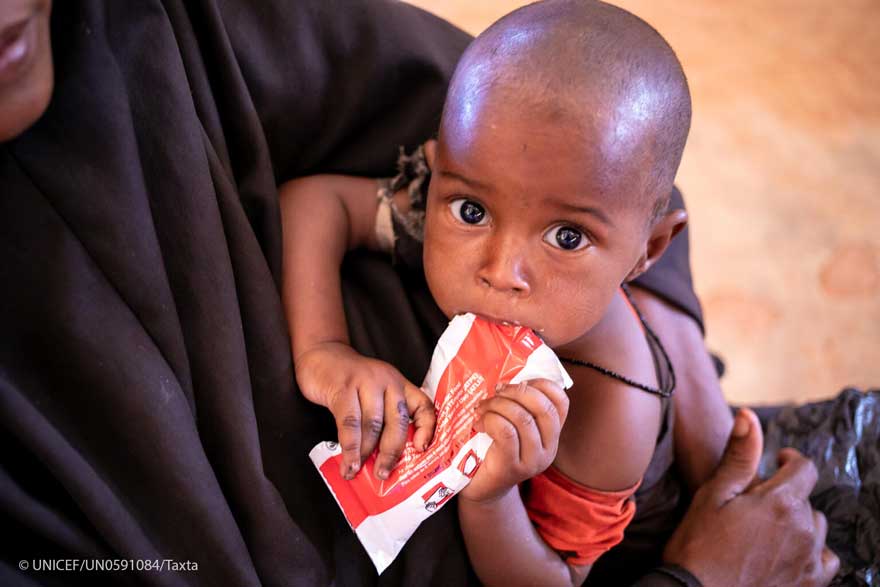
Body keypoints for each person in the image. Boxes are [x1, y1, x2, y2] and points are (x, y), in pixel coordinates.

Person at [0, 0, 838, 585]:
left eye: (568, 237)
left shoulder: (609, 402)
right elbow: (317, 202)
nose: (500, 268)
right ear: (437, 173)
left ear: (646, 251)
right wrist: (324, 352)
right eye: (470, 208)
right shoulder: (441, 213)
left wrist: (494, 492)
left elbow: (551, 578)